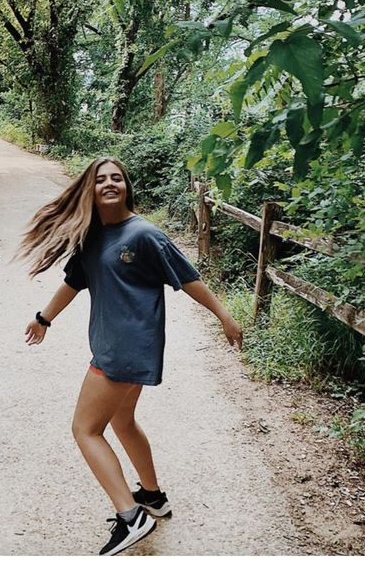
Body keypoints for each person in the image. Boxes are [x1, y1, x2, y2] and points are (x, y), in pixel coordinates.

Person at [16, 156, 243, 556]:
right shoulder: (91, 236)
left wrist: (224, 316)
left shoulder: (144, 234)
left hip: (125, 349)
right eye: (101, 179)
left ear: (126, 187)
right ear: (90, 189)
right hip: (120, 347)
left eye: (117, 178)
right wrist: (44, 318)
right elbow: (74, 283)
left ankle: (130, 516)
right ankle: (152, 497)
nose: (109, 183)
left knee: (85, 429)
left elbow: (188, 278)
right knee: (122, 421)